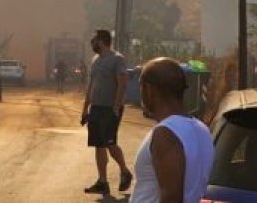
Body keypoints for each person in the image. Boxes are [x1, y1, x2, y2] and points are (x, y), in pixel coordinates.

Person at [131, 57, 215, 203]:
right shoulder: (202, 130)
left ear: (149, 90)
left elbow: (172, 198)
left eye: (141, 86)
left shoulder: (166, 133)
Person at [80, 29, 133, 195]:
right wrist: (85, 107)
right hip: (96, 107)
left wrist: (116, 106)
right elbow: (91, 85)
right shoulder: (95, 60)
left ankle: (125, 171)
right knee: (98, 144)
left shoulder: (117, 59)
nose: (92, 43)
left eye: (94, 40)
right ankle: (102, 182)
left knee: (110, 143)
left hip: (110, 108)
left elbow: (122, 83)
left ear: (102, 41)